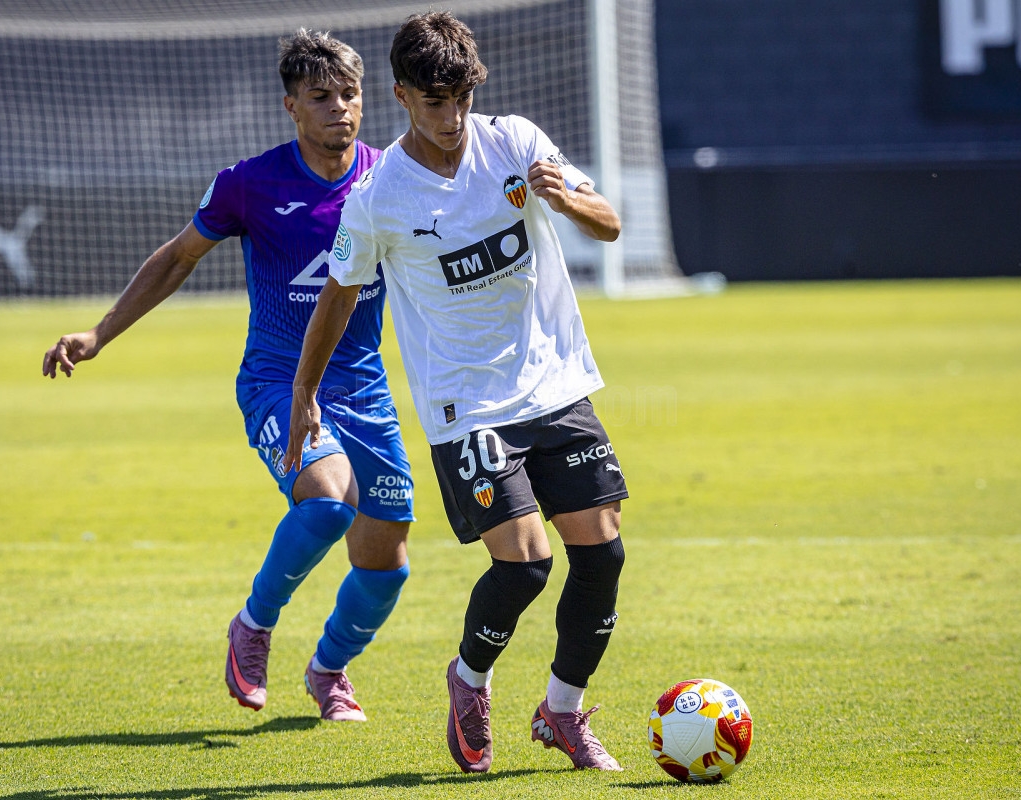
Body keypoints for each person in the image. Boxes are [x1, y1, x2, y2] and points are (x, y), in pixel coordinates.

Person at [285, 11, 627, 772]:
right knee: (527, 563)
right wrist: (304, 394)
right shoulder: (378, 197)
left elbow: (609, 223)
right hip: (465, 408)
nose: (452, 119)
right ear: (403, 96)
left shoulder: (517, 142)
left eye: (461, 100)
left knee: (601, 557)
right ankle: (469, 680)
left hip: (557, 386)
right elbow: (337, 295)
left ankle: (562, 713)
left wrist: (567, 202)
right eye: (434, 103)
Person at [41, 30, 413, 722]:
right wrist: (99, 333)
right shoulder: (250, 183)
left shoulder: (393, 178)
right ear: (291, 108)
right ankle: (254, 625)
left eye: (350, 95)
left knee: (387, 565)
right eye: (320, 97)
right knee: (329, 501)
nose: (340, 108)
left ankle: (329, 671)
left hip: (363, 389)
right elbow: (179, 258)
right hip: (276, 379)